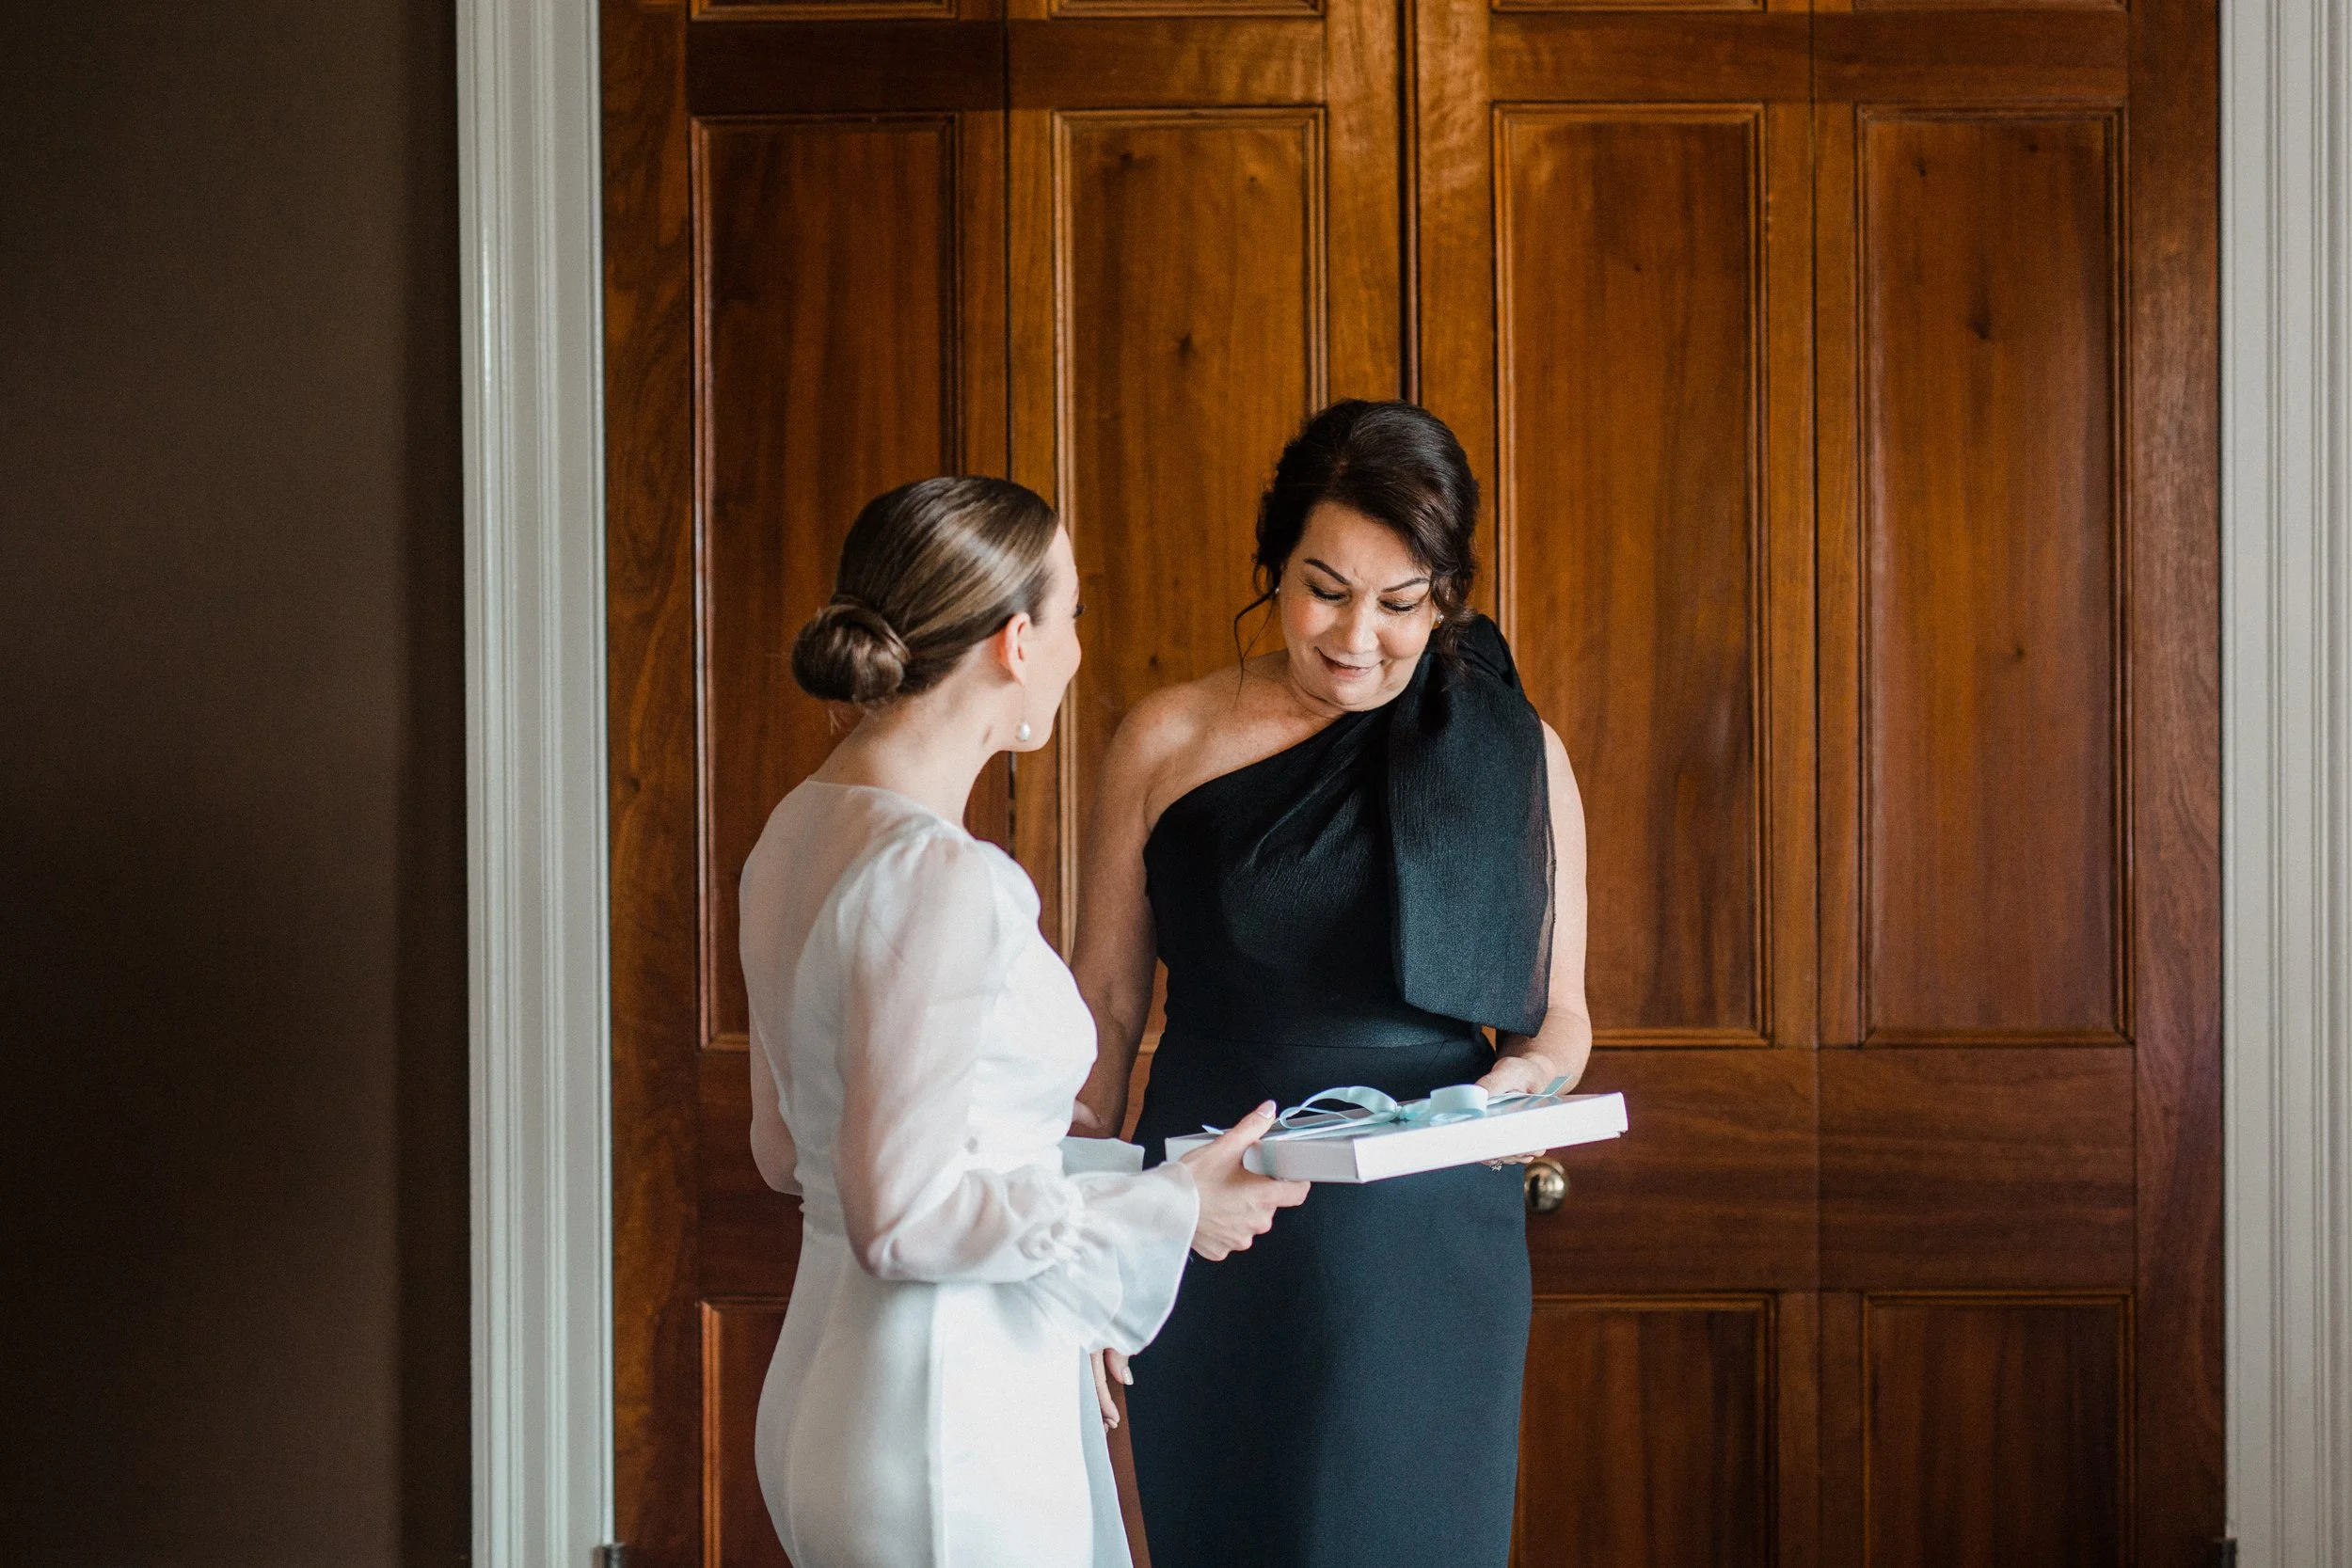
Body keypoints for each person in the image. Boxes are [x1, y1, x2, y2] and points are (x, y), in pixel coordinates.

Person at [739, 476, 1309, 1568]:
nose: (1077, 647)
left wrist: (1113, 1196)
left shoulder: (795, 834)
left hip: (831, 1390)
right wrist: (1166, 1210)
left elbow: (788, 1154)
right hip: (946, 1422)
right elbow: (899, 1219)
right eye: (1074, 614)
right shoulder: (943, 875)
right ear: (1014, 641)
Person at [1071, 402, 1594, 1567]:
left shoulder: (1517, 746)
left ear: (1445, 595)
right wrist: (1092, 1231)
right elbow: (1102, 1005)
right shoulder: (1165, 737)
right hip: (1210, 1210)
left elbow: (1562, 1011)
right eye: (1325, 588)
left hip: (1424, 1230)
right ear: (1272, 566)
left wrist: (1523, 1084)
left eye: (1401, 602)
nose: (1359, 634)